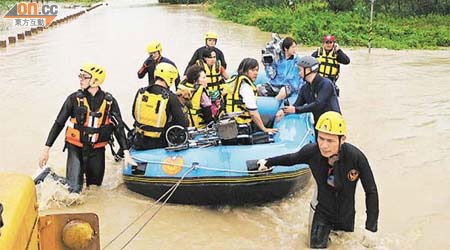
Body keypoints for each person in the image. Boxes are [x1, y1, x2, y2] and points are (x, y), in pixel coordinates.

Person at [257, 111, 379, 249]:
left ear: (342, 139)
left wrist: (371, 227)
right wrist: (268, 162)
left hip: (346, 216)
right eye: (321, 138)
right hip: (322, 212)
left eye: (330, 140)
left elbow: (371, 191)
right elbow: (291, 159)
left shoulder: (356, 158)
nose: (324, 145)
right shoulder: (311, 152)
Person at [38, 64, 136, 193]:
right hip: (75, 148)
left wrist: (126, 153)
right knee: (73, 191)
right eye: (80, 76)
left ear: (95, 80)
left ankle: (77, 177)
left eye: (85, 77)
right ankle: (48, 175)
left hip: (97, 150)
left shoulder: (110, 102)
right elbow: (59, 123)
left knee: (95, 189)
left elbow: (119, 128)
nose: (81, 79)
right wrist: (46, 149)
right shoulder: (73, 99)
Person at [132, 63, 189, 150]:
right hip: (159, 144)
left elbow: (134, 114)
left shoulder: (141, 92)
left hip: (139, 141)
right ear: (170, 79)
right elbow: (183, 123)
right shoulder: (170, 97)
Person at [276, 56, 340, 128]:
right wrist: (283, 111)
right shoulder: (305, 88)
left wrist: (296, 110)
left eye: (300, 70)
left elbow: (318, 104)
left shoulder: (326, 84)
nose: (298, 73)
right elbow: (297, 104)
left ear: (309, 70)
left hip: (333, 124)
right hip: (319, 124)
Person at [225, 58, 279, 137]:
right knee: (269, 121)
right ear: (245, 70)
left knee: (266, 118)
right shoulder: (246, 87)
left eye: (257, 70)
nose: (256, 73)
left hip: (231, 123)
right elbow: (253, 113)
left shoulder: (234, 81)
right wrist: (264, 129)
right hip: (240, 127)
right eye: (253, 70)